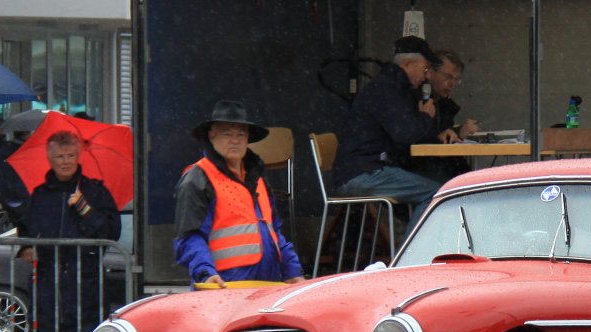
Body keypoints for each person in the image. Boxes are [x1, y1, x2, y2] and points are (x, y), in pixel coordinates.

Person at [14, 130, 121, 332]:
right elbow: (26, 231)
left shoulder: (95, 192)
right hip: (50, 291)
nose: (65, 162)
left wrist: (83, 207)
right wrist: (25, 249)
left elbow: (110, 231)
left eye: (70, 156)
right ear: (50, 158)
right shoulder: (39, 195)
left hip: (86, 290)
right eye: (59, 156)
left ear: (79, 157)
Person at [174, 99, 304, 289]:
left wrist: (293, 271)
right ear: (211, 136)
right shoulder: (198, 178)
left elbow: (274, 232)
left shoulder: (258, 178)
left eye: (241, 134)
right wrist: (205, 274)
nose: (235, 140)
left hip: (267, 286)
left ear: (248, 138)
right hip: (223, 288)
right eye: (227, 133)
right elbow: (188, 237)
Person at [332, 35, 444, 220]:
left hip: (361, 170)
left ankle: (414, 236)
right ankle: (415, 240)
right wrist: (425, 116)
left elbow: (405, 132)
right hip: (364, 173)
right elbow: (405, 135)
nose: (426, 76)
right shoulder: (389, 90)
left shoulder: (389, 86)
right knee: (437, 196)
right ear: (408, 64)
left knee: (434, 184)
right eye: (425, 69)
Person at [410, 50, 482, 184]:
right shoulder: (416, 99)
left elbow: (442, 134)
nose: (452, 83)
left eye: (456, 79)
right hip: (418, 170)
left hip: (438, 168)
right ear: (430, 73)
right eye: (447, 77)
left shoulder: (443, 104)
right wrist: (448, 134)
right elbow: (415, 140)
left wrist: (459, 131)